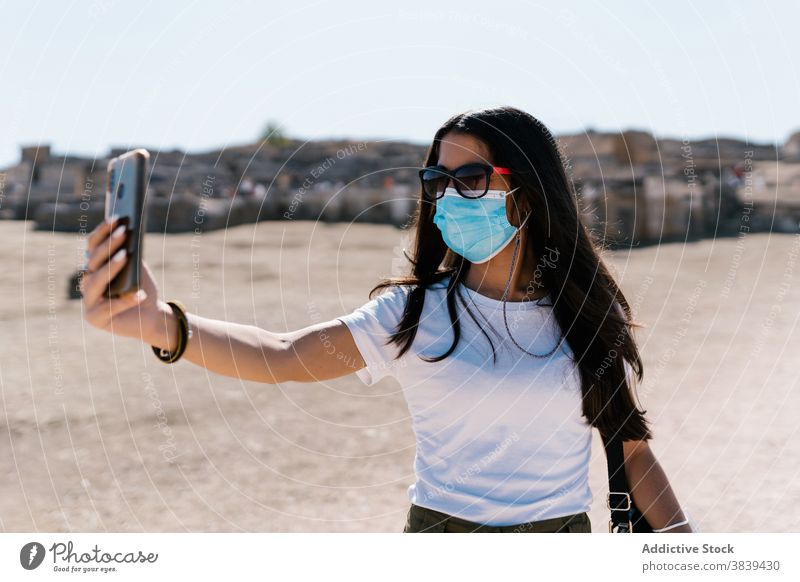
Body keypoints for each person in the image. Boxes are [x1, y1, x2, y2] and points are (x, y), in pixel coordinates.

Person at [80, 105, 694, 533]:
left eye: (471, 178)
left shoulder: (587, 314)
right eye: (438, 180)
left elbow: (632, 450)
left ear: (527, 191)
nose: (449, 195)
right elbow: (283, 355)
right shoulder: (413, 314)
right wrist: (163, 323)